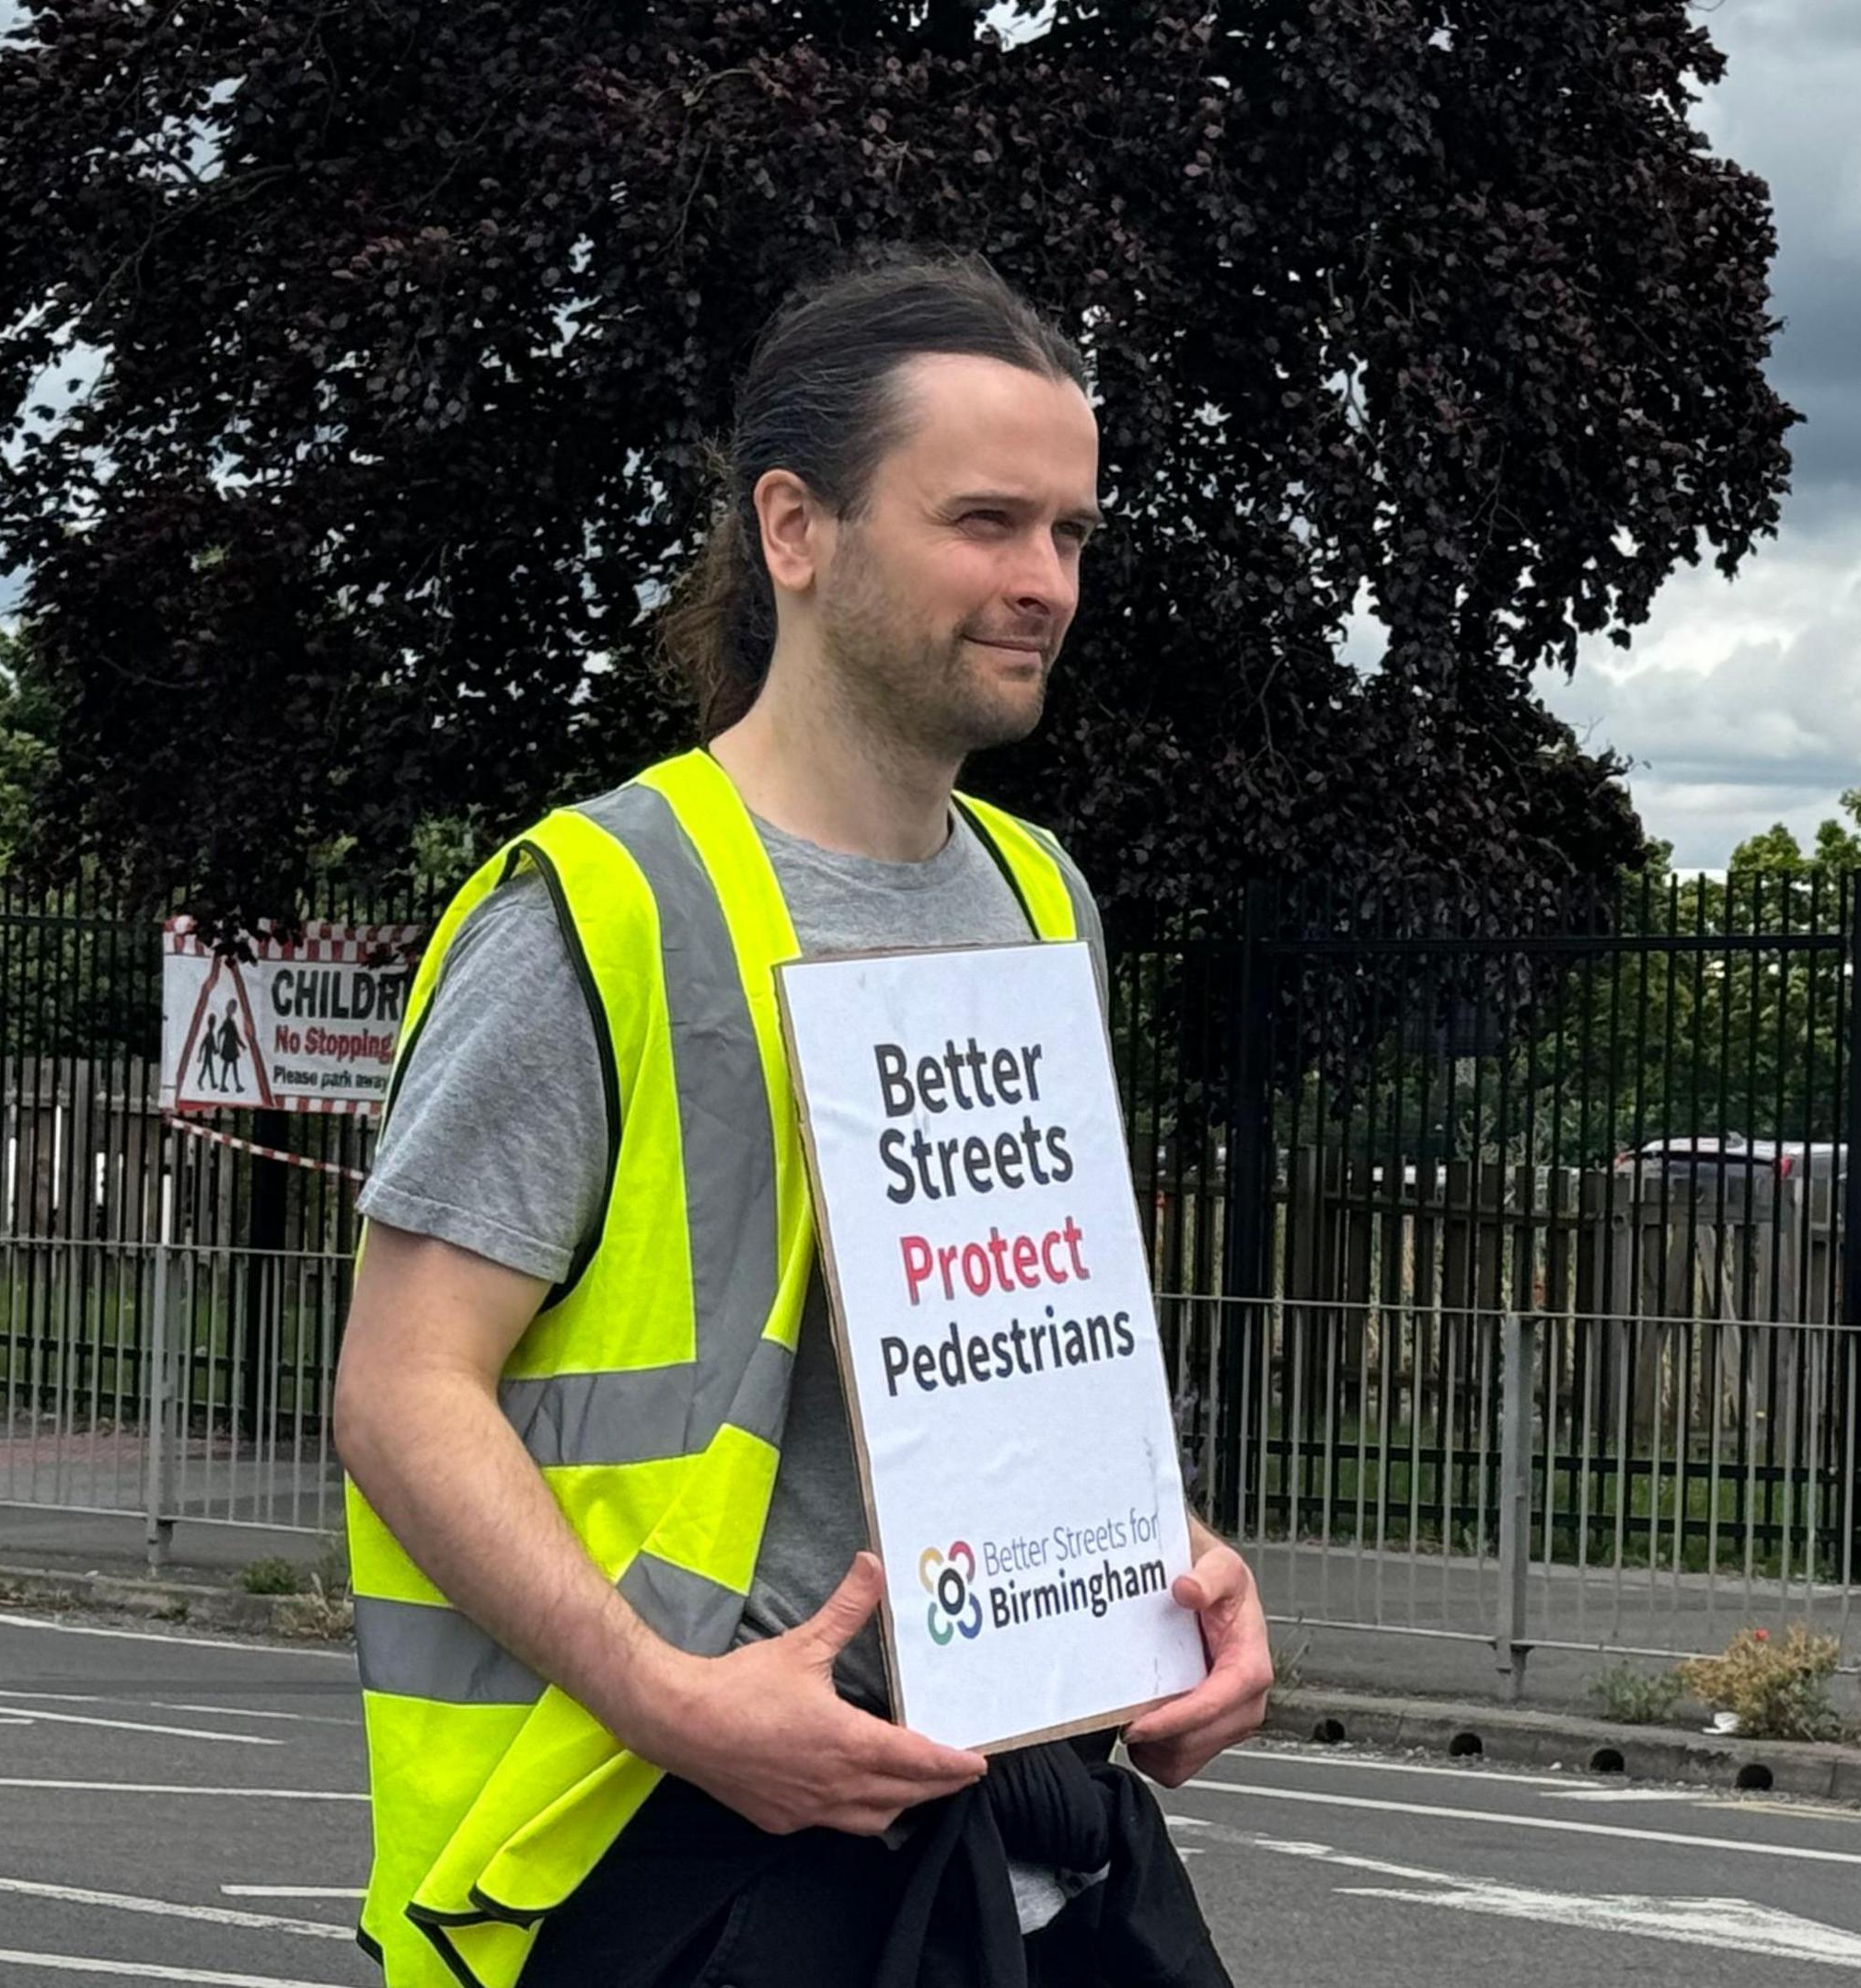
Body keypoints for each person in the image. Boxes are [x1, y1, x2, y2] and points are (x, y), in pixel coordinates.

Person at [333, 249, 1269, 1988]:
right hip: (688, 1827)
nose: (1042, 582)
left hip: (1028, 1805)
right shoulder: (607, 904)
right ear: (795, 529)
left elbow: (1002, 1355)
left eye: (1069, 534)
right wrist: (680, 1704)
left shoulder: (1038, 894)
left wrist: (1170, 1564)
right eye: (985, 521)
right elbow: (400, 1389)